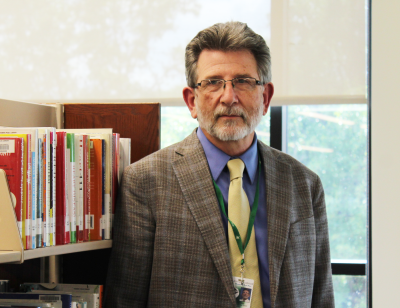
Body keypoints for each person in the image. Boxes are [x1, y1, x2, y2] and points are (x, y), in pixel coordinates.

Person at [104, 21, 334, 308]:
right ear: (191, 101)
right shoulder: (145, 182)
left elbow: (321, 297)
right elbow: (125, 299)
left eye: (243, 81)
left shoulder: (304, 184)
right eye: (213, 82)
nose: (229, 97)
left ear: (266, 98)